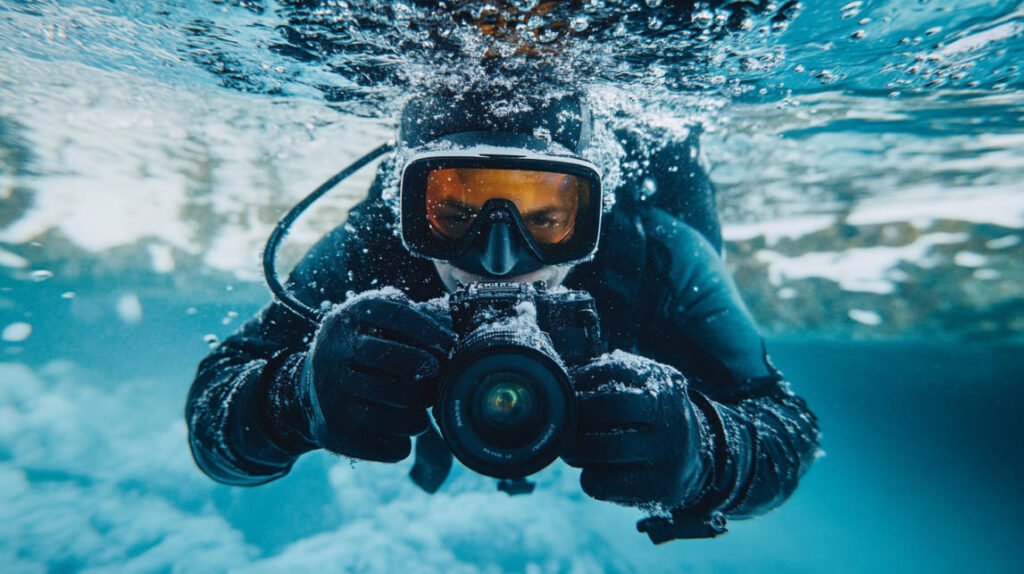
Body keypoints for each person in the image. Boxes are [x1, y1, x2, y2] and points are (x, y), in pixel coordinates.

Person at [185, 86, 819, 542]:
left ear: (592, 214)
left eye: (546, 218)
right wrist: (293, 394)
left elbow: (783, 421)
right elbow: (214, 405)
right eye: (455, 214)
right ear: (410, 206)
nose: (498, 261)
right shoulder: (380, 244)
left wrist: (705, 447)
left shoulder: (657, 255)